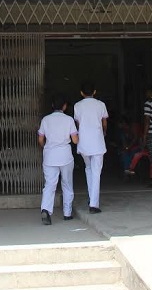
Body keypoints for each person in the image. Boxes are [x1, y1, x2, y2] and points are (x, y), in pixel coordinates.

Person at [38, 94, 78, 225]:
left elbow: (40, 139)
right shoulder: (69, 120)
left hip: (50, 156)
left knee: (49, 184)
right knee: (67, 184)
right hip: (65, 156)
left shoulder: (45, 120)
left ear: (52, 105)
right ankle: (67, 213)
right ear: (64, 106)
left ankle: (45, 209)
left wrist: (46, 147)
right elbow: (75, 140)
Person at [73, 82, 108, 214]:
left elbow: (78, 123)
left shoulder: (77, 106)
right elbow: (104, 123)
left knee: (88, 168)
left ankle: (91, 198)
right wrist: (104, 132)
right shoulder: (101, 105)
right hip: (97, 142)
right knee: (96, 172)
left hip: (83, 142)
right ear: (94, 92)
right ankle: (94, 204)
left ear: (81, 93)